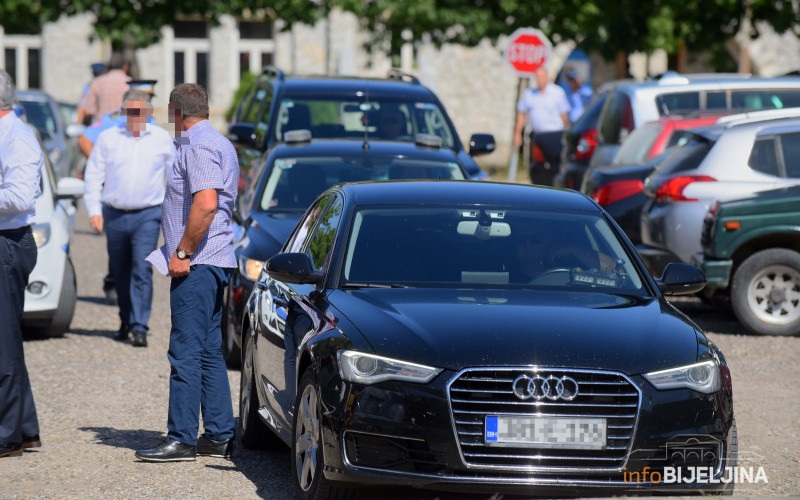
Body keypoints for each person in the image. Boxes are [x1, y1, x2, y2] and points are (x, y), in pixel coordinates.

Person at [137, 83, 239, 462]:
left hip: (197, 263)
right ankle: (218, 434)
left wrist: (182, 251)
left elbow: (207, 203)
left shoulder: (196, 145)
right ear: (206, 110)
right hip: (215, 261)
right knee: (209, 351)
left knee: (184, 351)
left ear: (174, 112)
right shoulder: (220, 143)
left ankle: (181, 437)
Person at [82, 88, 175, 348]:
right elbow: (93, 175)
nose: (133, 117)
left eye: (138, 112)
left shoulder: (161, 138)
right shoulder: (108, 138)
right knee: (120, 271)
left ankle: (139, 325)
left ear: (148, 113)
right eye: (128, 112)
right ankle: (125, 319)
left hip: (147, 214)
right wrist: (94, 211)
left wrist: (173, 214)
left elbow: (174, 178)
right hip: (114, 213)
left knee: (142, 269)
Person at [78, 81, 159, 307]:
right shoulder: (113, 121)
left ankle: (138, 321)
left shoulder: (152, 125)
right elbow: (84, 140)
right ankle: (116, 285)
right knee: (120, 257)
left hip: (146, 208)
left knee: (142, 264)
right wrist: (105, 169)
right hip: (115, 198)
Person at [0, 68, 43, 458]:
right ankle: (24, 428)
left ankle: (6, 435)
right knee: (6, 339)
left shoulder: (18, 138)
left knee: (3, 344)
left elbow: (18, 198)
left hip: (8, 243)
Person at [513, 67, 570, 184]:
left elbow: (564, 115)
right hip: (537, 136)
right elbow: (521, 113)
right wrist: (517, 133)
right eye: (537, 77)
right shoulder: (530, 94)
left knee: (554, 165)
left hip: (554, 135)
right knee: (537, 166)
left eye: (541, 77)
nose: (539, 80)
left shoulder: (557, 92)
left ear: (547, 77)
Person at [75, 52, 130, 126]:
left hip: (101, 127)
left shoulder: (96, 82)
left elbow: (87, 109)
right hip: (124, 127)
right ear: (125, 67)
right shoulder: (131, 84)